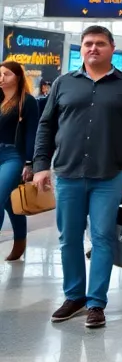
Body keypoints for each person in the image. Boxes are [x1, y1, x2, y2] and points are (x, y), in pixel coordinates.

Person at [32, 26, 122, 329]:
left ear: (112, 48)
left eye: (99, 44)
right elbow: (46, 126)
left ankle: (96, 302)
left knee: (102, 238)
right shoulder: (63, 83)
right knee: (68, 238)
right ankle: (74, 296)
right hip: (68, 173)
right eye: (87, 44)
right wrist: (41, 164)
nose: (92, 49)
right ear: (81, 49)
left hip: (109, 175)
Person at [1, 60, 40, 262]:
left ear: (17, 76)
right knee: (8, 202)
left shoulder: (27, 101)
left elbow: (32, 133)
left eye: (6, 74)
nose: (1, 78)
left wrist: (29, 162)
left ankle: (19, 243)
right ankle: (20, 242)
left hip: (13, 156)